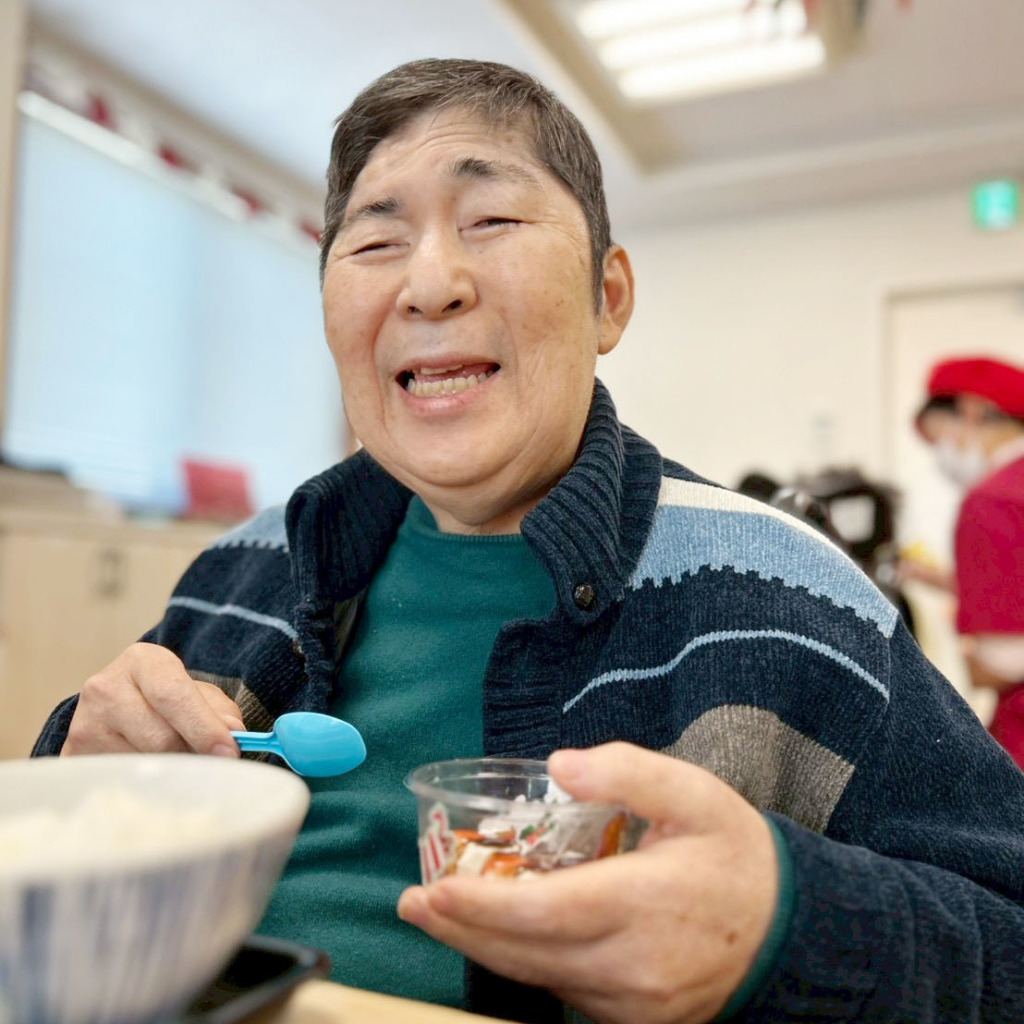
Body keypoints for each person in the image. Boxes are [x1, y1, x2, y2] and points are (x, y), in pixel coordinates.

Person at [32, 59, 1024, 1023]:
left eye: (493, 221)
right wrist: (75, 774)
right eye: (374, 243)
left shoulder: (786, 599)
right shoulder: (239, 571)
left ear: (608, 298)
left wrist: (784, 924)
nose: (429, 283)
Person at [910, 356, 1024, 767]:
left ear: (972, 411)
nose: (940, 456)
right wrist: (954, 584)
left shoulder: (991, 500)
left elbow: (1004, 659)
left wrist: (972, 656)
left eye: (938, 438)